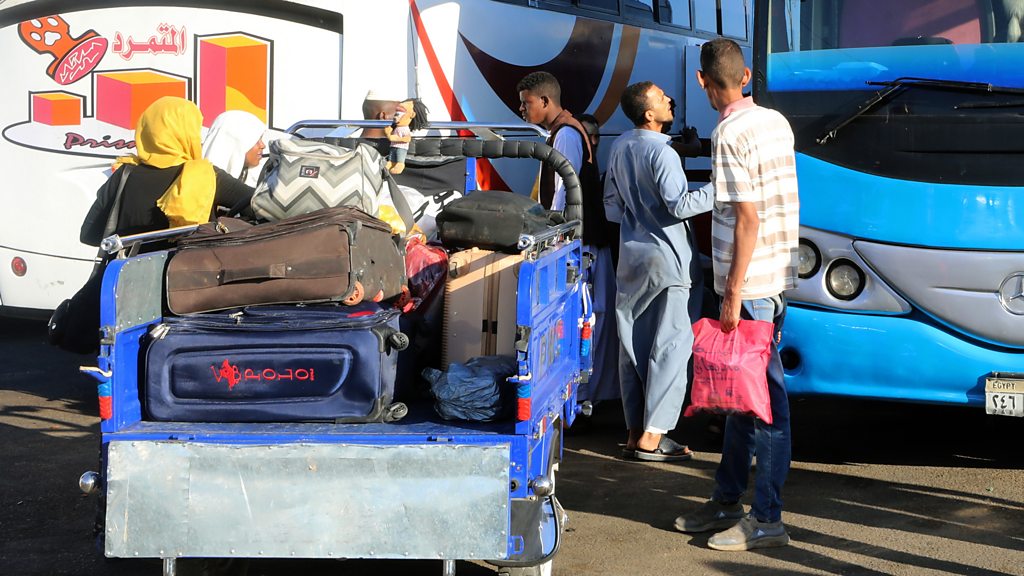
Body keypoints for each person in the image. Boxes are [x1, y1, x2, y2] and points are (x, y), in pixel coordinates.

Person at [673, 38, 800, 551]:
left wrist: (731, 293)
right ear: (746, 76)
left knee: (764, 407)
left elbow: (747, 218)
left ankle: (767, 519)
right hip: (775, 279)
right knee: (741, 402)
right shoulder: (776, 122)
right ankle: (727, 500)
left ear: (703, 80)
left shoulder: (728, 133)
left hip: (751, 290)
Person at [603, 81, 713, 462]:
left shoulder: (620, 146)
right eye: (662, 98)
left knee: (633, 344)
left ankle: (634, 431)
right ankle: (654, 436)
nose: (670, 100)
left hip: (632, 257)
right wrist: (721, 189)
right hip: (669, 259)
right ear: (649, 114)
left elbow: (612, 208)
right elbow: (679, 205)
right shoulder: (663, 153)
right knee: (671, 345)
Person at [81, 96, 254, 240]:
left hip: (126, 270)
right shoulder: (205, 176)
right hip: (185, 270)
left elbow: (89, 235)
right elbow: (260, 206)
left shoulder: (124, 173)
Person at [516, 71, 589, 211]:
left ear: (544, 101)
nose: (521, 108)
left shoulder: (565, 135)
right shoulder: (559, 132)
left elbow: (565, 190)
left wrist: (554, 222)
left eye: (525, 102)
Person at [202, 110, 267, 187]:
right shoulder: (199, 182)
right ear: (235, 142)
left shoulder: (262, 183)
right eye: (256, 140)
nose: (263, 145)